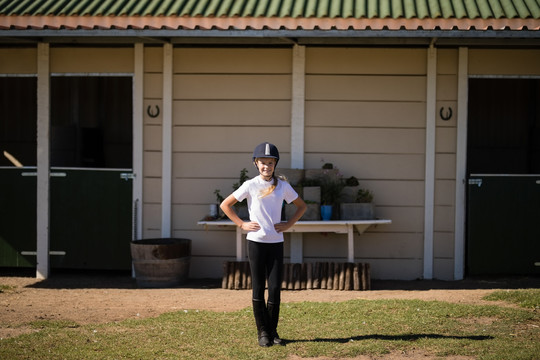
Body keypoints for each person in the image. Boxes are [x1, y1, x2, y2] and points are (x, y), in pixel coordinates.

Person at [220, 142, 307, 347]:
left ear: (275, 164)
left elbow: (301, 206)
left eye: (270, 162)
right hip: (256, 243)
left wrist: (289, 224)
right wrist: (241, 223)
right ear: (256, 163)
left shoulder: (283, 186)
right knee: (258, 288)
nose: (266, 166)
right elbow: (226, 204)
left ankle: (273, 331)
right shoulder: (250, 185)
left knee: (275, 288)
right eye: (263, 162)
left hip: (276, 243)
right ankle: (263, 333)